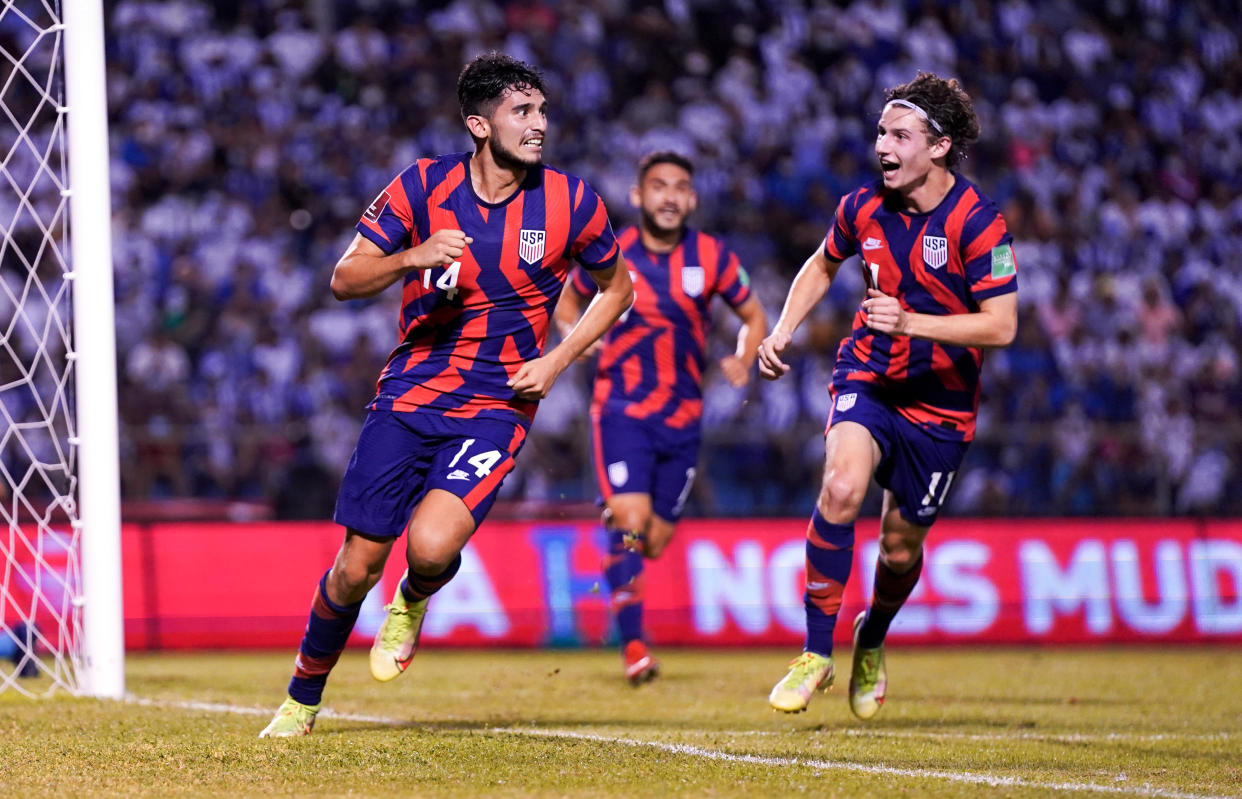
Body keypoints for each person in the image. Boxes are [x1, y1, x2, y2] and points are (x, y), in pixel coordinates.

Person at [260, 52, 633, 737]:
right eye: (523, 112)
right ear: (478, 123)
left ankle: (415, 596)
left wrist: (557, 360)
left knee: (429, 548)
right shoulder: (422, 186)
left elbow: (618, 288)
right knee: (354, 567)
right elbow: (345, 277)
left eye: (542, 111)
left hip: (500, 402)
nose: (539, 124)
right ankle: (302, 696)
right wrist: (414, 256)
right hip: (410, 393)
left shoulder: (572, 201)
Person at [757, 72, 1018, 718]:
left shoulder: (980, 223)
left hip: (942, 408)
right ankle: (816, 652)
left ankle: (870, 634)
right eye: (880, 132)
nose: (883, 145)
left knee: (900, 549)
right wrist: (782, 328)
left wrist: (912, 322)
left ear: (938, 146)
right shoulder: (861, 207)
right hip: (868, 377)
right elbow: (822, 261)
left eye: (899, 134)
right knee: (841, 488)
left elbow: (1001, 325)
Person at [555, 151, 766, 684]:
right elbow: (565, 304)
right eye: (658, 186)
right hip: (621, 410)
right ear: (638, 196)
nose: (669, 196)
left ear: (692, 199)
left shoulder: (713, 256)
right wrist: (574, 341)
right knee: (628, 523)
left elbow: (754, 315)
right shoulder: (614, 252)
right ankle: (634, 650)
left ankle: (618, 570)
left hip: (683, 420)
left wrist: (743, 357)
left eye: (680, 187)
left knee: (652, 540)